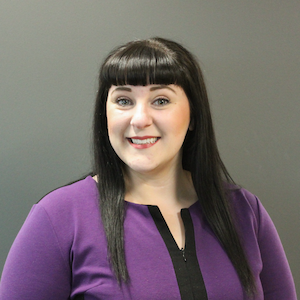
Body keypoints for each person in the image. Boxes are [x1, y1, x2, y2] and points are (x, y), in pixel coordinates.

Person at [0, 37, 297, 300]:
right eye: (124, 100)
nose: (140, 119)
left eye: (161, 100)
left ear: (193, 115)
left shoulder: (244, 211)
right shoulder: (59, 217)